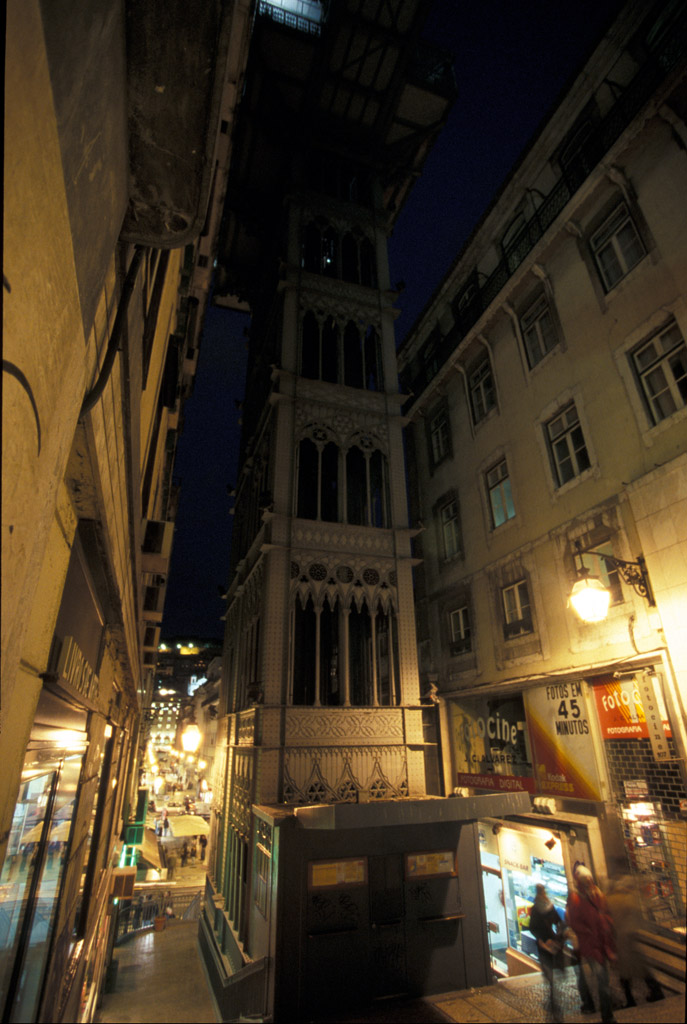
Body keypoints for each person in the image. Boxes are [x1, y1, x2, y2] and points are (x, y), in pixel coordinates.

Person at [566, 864, 617, 1024]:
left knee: (603, 980)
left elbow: (606, 912)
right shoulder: (576, 898)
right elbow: (574, 922)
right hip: (590, 945)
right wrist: (588, 931)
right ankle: (607, 1016)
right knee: (602, 980)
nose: (588, 881)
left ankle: (605, 1012)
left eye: (589, 879)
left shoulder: (597, 894)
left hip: (601, 943)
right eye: (586, 879)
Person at [606, 874, 665, 1007]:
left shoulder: (611, 900)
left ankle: (631, 998)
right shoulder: (628, 899)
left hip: (621, 940)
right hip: (629, 937)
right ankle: (654, 991)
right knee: (637, 968)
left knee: (627, 971)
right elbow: (637, 915)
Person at [528, 884, 565, 1022]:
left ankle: (554, 1006)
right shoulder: (550, 906)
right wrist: (558, 938)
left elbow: (532, 928)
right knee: (553, 977)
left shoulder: (535, 909)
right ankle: (555, 1005)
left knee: (550, 976)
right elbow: (560, 923)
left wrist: (541, 940)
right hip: (553, 944)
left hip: (543, 946)